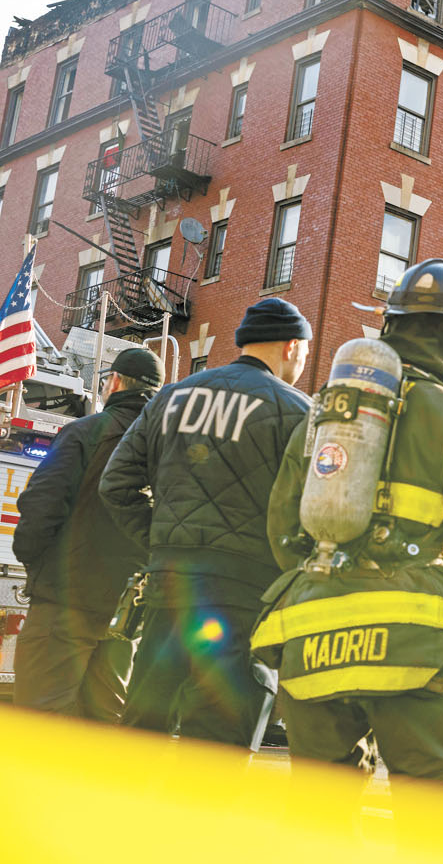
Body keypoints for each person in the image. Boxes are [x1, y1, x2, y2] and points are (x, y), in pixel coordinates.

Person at [254, 259, 443, 790]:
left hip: (313, 642)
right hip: (415, 647)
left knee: (318, 812)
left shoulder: (324, 416)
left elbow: (282, 528)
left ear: (391, 325)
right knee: (435, 814)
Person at [99, 298, 312, 746]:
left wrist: (163, 545)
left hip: (169, 588)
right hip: (246, 597)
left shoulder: (172, 397)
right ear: (292, 347)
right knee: (218, 744)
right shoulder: (299, 412)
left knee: (142, 730)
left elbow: (116, 484)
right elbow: (313, 513)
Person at [12, 347, 163, 720]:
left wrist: (39, 569)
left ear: (115, 382)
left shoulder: (85, 432)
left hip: (65, 600)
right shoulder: (165, 448)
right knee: (104, 722)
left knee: (41, 717)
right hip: (126, 611)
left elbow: (41, 505)